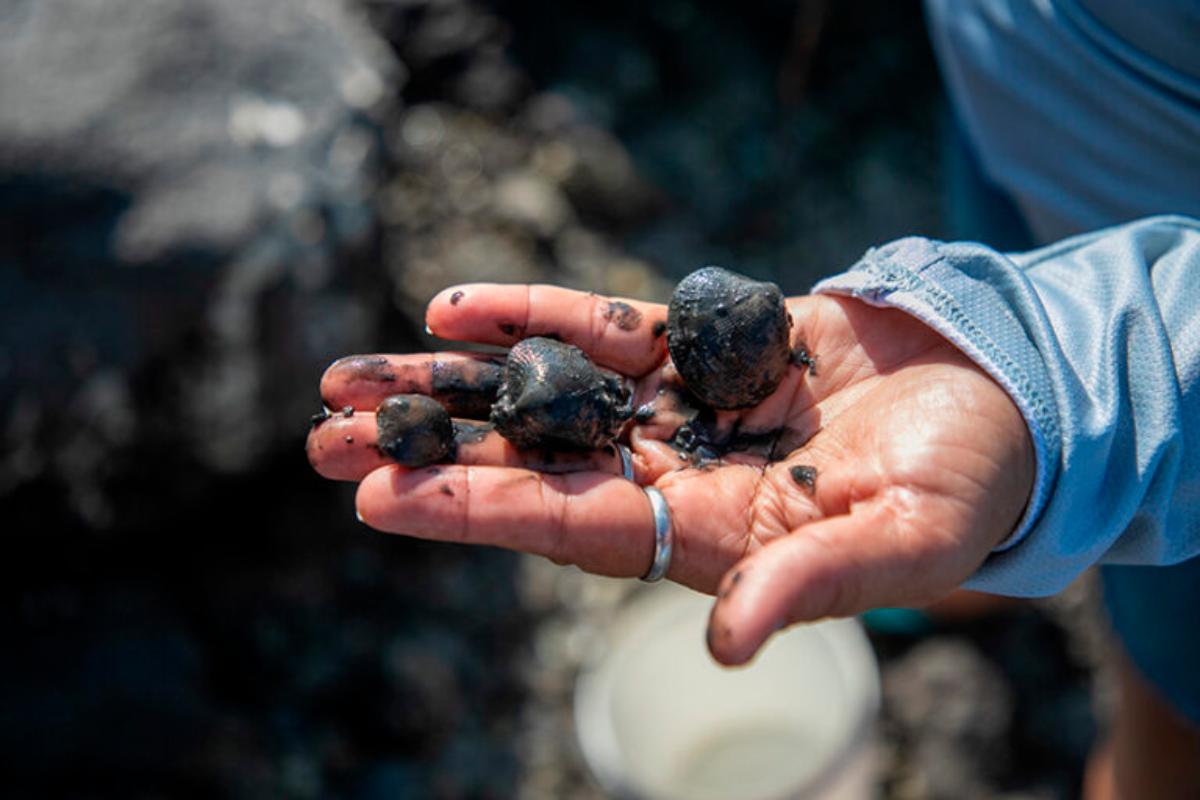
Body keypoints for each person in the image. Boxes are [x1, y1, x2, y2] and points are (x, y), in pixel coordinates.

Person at [309, 1, 1200, 796]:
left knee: (1173, 671)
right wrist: (1000, 337)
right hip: (1033, 72)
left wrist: (1053, 377)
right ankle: (982, 569)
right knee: (1002, 316)